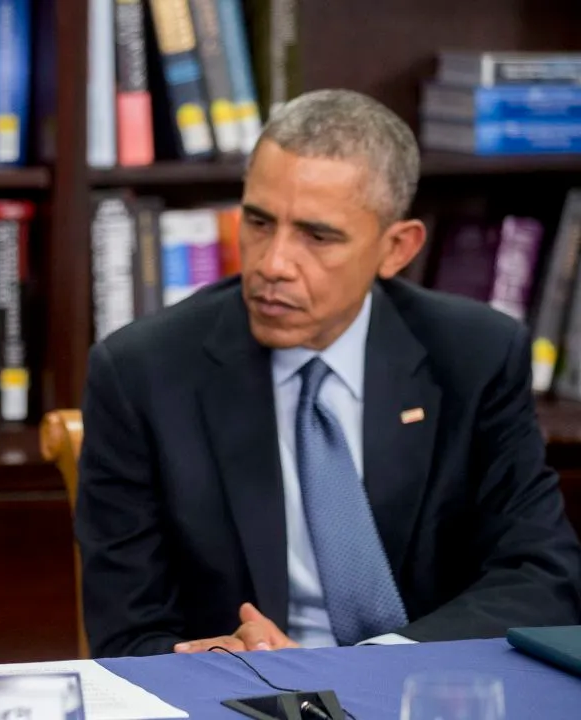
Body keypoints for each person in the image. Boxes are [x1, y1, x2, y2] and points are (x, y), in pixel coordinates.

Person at [74, 88, 581, 658]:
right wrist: (218, 659)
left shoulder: (474, 355)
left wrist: (374, 665)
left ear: (396, 248)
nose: (273, 264)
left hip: (427, 689)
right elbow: (128, 631)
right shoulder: (143, 373)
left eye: (317, 237)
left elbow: (542, 575)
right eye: (259, 223)